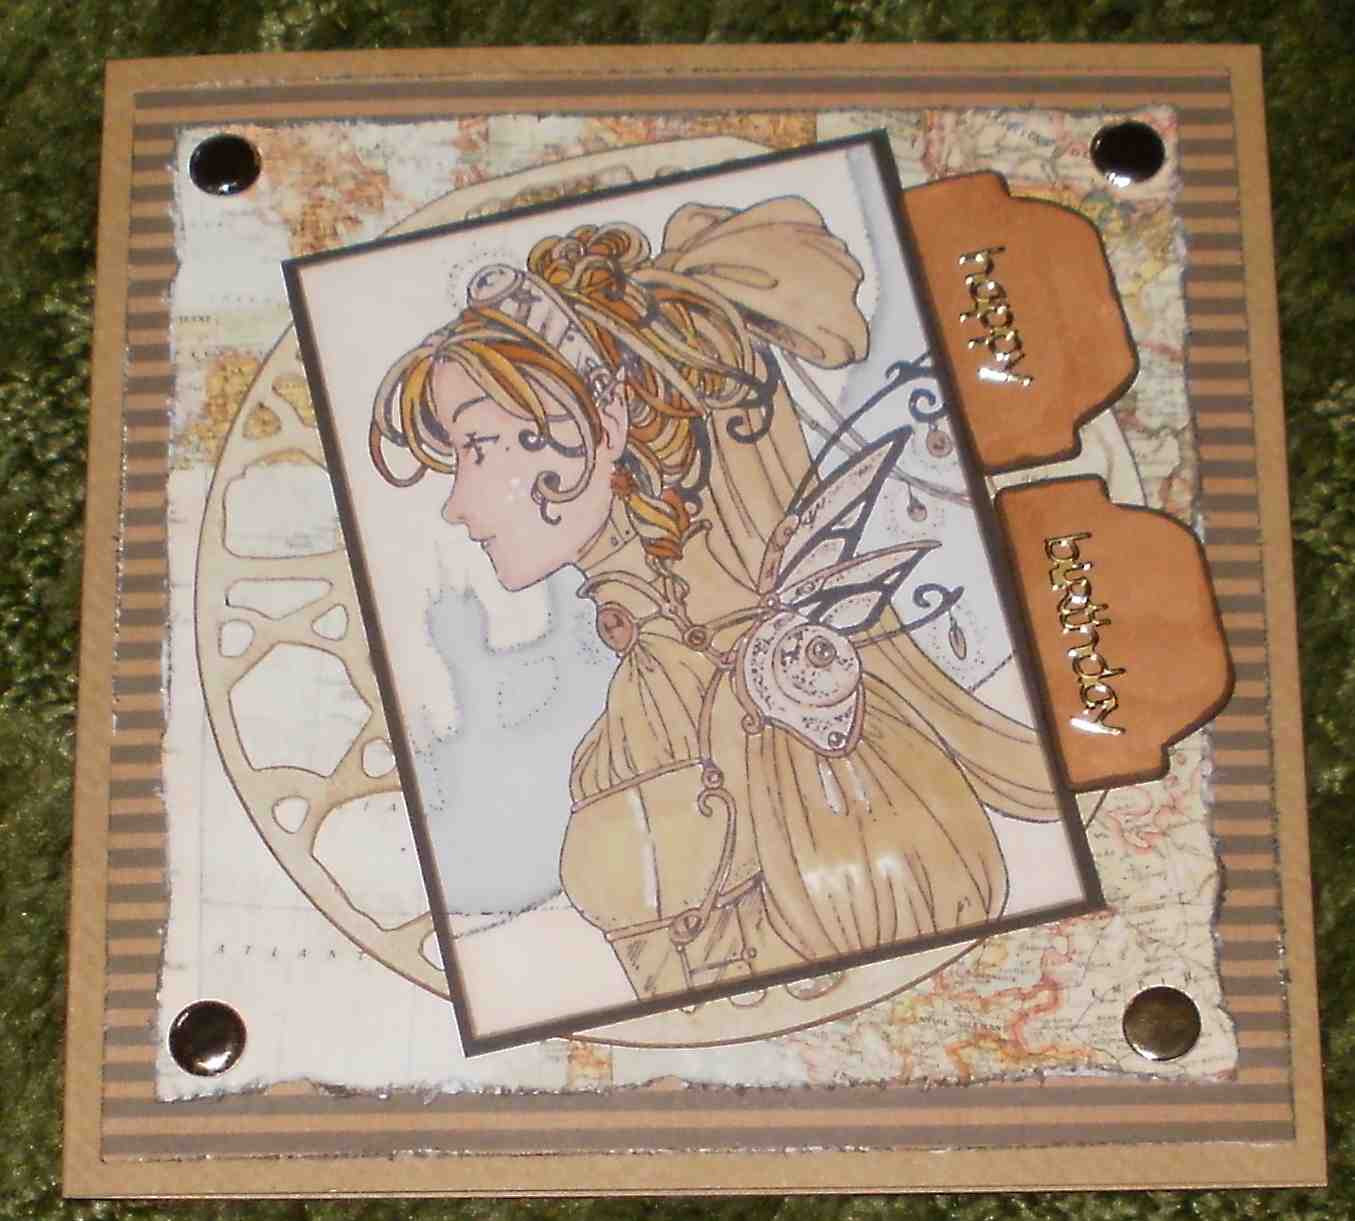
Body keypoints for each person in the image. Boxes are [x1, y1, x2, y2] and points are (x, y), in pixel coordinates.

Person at [369, 197, 1062, 1004]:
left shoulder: (792, 694)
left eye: (479, 447)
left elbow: (910, 965)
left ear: (605, 420)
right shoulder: (629, 727)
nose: (458, 503)